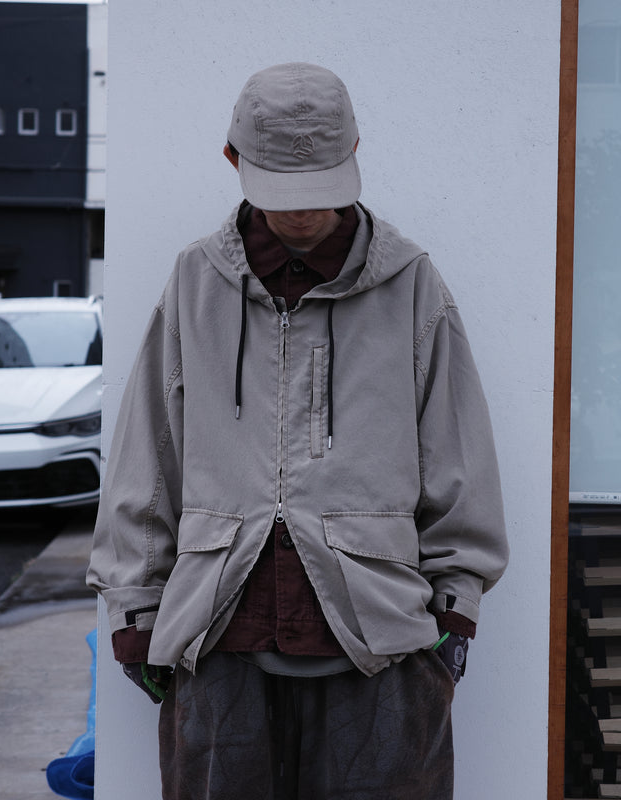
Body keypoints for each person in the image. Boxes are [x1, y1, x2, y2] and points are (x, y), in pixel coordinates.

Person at [87, 62, 509, 800]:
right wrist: (134, 608)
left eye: (321, 188)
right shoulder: (195, 282)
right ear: (233, 160)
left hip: (380, 646)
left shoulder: (411, 284)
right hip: (220, 640)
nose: (304, 213)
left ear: (354, 154)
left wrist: (456, 609)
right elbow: (147, 455)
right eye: (284, 192)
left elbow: (458, 450)